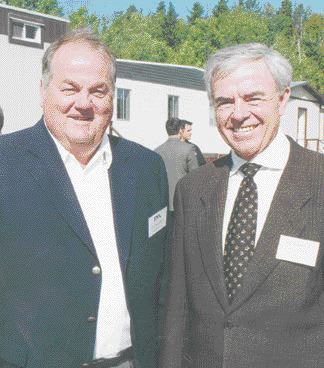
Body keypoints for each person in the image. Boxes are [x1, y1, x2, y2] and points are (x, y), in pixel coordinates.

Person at [0, 29, 169, 368]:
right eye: (70, 89)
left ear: (112, 98)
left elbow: (161, 277)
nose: (83, 104)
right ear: (43, 91)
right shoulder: (7, 163)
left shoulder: (147, 167)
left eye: (98, 91)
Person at [160, 43, 324, 368]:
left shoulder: (318, 181)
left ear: (282, 98)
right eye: (224, 102)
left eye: (253, 98)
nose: (238, 114)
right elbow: (176, 309)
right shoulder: (192, 189)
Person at [155, 117, 199, 213]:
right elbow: (196, 177)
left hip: (163, 204)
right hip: (182, 202)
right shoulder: (189, 149)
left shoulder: (157, 151)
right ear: (180, 130)